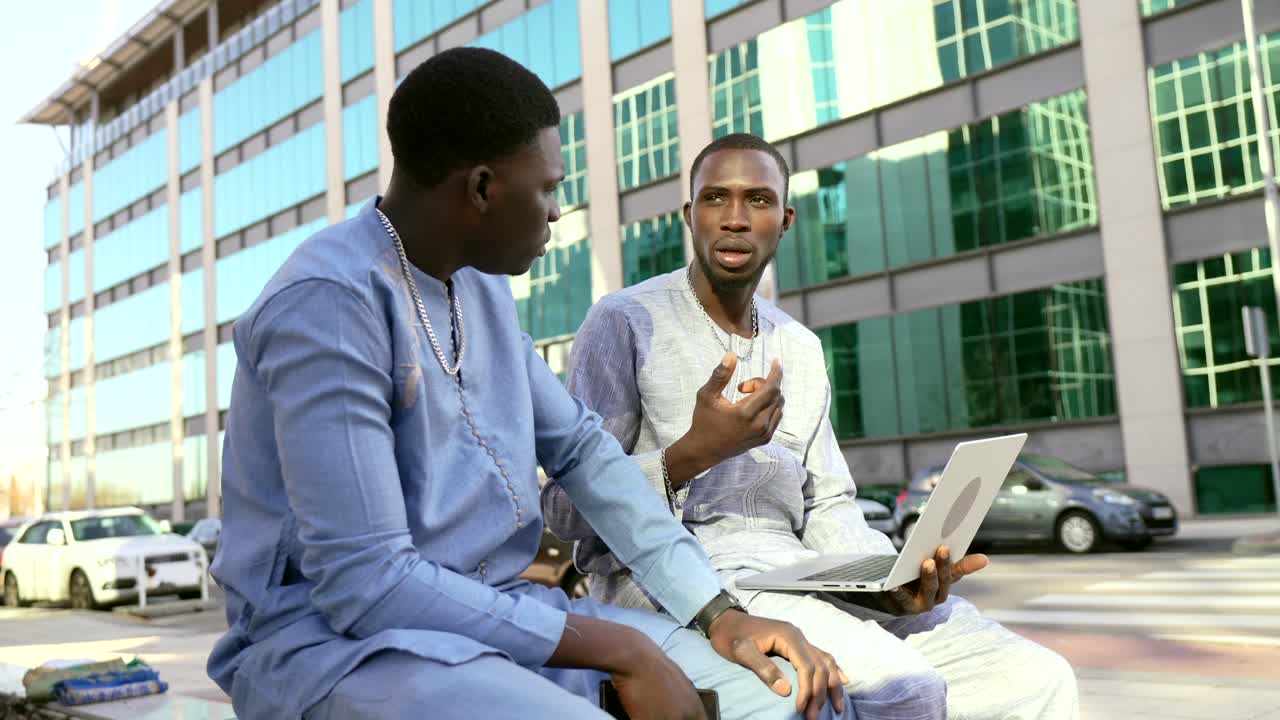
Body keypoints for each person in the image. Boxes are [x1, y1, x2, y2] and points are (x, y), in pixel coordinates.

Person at [206, 49, 859, 720]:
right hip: (335, 646)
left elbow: (580, 449)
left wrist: (718, 613)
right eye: (547, 187)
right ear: (483, 188)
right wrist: (619, 648)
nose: (555, 210)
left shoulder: (479, 287)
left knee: (790, 693)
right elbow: (365, 584)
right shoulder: (329, 303)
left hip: (503, 615)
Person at [542, 132, 1080, 720]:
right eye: (716, 198)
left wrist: (888, 579)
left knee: (1035, 676)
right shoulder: (624, 321)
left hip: (803, 578)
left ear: (787, 218)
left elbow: (829, 505)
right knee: (903, 685)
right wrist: (691, 454)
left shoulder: (799, 346)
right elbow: (565, 511)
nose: (736, 219)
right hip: (677, 582)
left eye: (759, 200)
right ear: (688, 214)